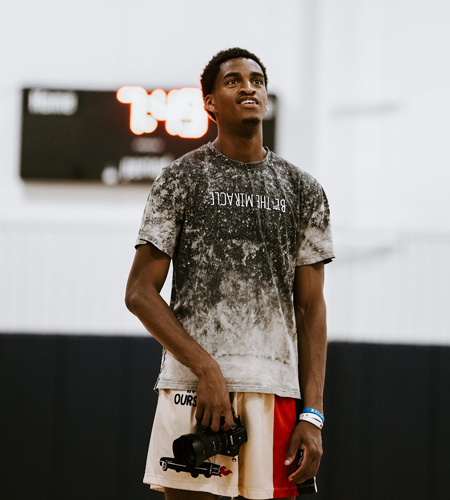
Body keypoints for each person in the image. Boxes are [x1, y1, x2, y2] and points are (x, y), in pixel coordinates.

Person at [125, 47, 335, 500]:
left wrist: (312, 414)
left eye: (256, 80)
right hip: (194, 389)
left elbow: (311, 306)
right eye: (234, 80)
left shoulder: (304, 189)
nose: (249, 87)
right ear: (210, 103)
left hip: (273, 390)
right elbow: (140, 292)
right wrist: (206, 369)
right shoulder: (181, 179)